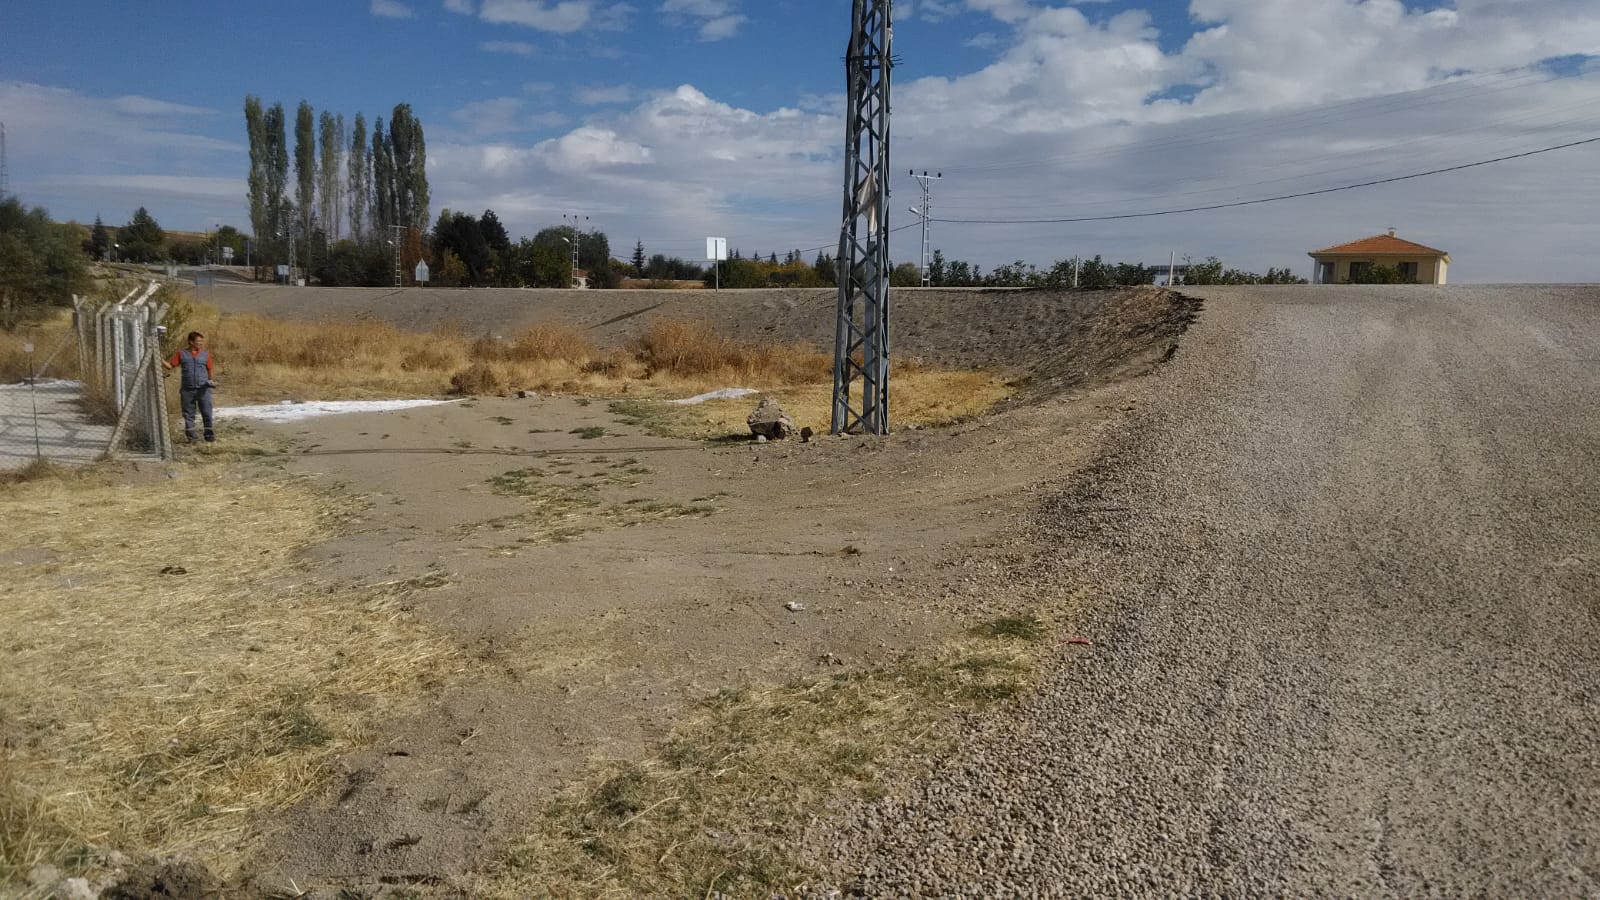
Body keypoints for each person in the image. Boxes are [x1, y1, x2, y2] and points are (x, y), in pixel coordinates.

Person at [164, 331, 217, 442]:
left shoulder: (205, 354)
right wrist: (159, 358)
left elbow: (210, 368)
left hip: (203, 389)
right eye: (198, 341)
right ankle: (192, 437)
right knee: (188, 414)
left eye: (202, 341)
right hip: (187, 390)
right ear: (191, 342)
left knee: (207, 412)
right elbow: (170, 366)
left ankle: (209, 435)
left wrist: (210, 381)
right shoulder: (181, 354)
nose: (201, 343)